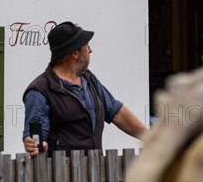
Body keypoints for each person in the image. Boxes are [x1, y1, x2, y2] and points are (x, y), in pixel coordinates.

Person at [22, 21, 148, 156]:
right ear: (75, 54)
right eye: (86, 46)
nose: (90, 49)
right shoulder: (40, 90)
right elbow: (35, 137)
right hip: (62, 173)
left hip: (95, 169)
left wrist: (151, 138)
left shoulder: (89, 80)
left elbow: (117, 113)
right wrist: (36, 144)